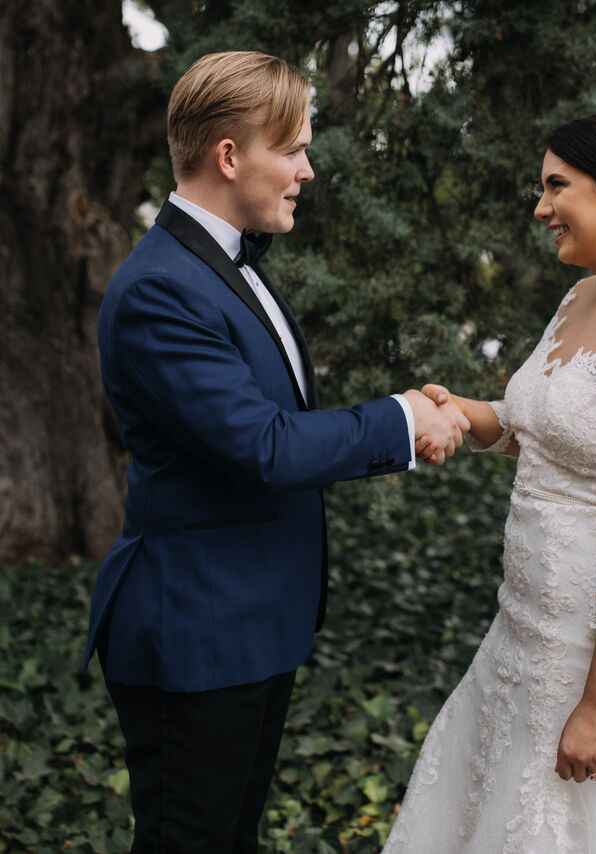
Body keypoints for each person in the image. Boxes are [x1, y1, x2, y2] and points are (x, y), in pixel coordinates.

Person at [81, 51, 470, 853]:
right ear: (231, 155)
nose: (308, 171)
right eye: (292, 150)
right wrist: (401, 418)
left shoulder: (225, 270)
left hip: (250, 623)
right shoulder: (161, 288)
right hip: (194, 632)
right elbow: (264, 444)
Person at [383, 111, 596, 852]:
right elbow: (548, 425)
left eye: (556, 186)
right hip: (523, 634)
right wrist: (468, 415)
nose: (539, 207)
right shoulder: (581, 299)